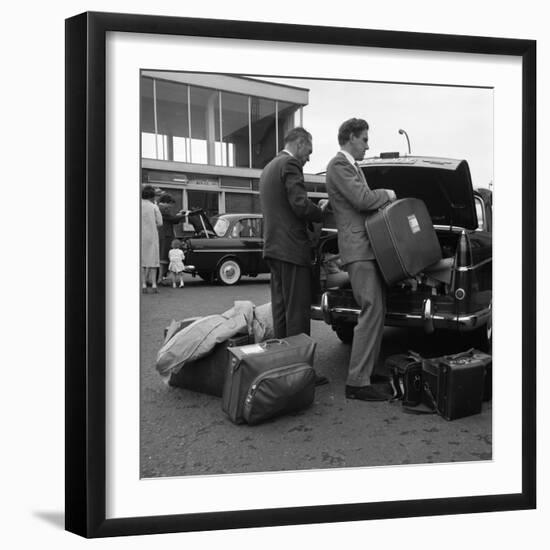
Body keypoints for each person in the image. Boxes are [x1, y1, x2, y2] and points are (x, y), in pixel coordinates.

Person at [326, 118, 397, 402]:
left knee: (377, 309)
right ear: (351, 137)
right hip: (358, 248)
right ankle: (357, 381)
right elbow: (363, 200)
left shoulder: (350, 167)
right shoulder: (339, 165)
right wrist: (388, 194)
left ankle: (366, 372)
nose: (368, 145)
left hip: (366, 247)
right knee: (370, 308)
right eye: (365, 139)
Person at [259, 126, 329, 341]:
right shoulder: (290, 164)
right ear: (299, 144)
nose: (308, 159)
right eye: (308, 152)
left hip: (273, 247)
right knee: (297, 312)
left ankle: (284, 363)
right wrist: (321, 211)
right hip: (292, 248)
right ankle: (299, 368)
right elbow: (300, 205)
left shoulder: (269, 167)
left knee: (280, 310)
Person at [157, 193, 187, 282]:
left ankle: (160, 278)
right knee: (163, 258)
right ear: (166, 202)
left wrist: (178, 215)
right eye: (170, 204)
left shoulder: (159, 208)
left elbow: (171, 219)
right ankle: (160, 278)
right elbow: (172, 219)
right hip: (165, 236)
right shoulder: (163, 209)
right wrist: (183, 215)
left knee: (161, 257)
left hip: (162, 234)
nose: (171, 206)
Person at [141, 184, 163, 293]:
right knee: (153, 260)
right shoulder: (154, 206)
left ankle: (143, 284)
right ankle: (154, 285)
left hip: (140, 236)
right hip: (152, 236)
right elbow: (160, 223)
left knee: (142, 261)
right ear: (152, 196)